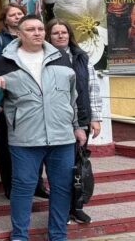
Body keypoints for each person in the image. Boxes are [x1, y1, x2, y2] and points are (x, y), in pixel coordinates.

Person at [0, 15, 85, 241]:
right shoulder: (5, 61)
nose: (37, 33)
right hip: (25, 138)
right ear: (19, 34)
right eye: (31, 29)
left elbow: (72, 97)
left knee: (62, 188)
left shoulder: (61, 57)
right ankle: (19, 235)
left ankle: (58, 235)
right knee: (23, 188)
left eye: (40, 28)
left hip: (62, 137)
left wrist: (78, 126)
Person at [46, 18, 103, 224]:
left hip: (82, 119)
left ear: (69, 34)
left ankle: (76, 208)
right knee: (61, 170)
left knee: (78, 167)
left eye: (64, 32)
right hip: (56, 121)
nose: (60, 36)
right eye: (55, 33)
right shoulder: (45, 57)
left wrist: (95, 118)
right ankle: (60, 211)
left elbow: (92, 88)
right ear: (48, 36)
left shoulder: (81, 57)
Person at [0, 3, 27, 200]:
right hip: (7, 98)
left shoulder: (29, 37)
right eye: (13, 14)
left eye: (20, 13)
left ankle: (36, 184)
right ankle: (9, 184)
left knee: (33, 143)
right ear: (5, 19)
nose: (17, 17)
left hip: (29, 99)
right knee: (6, 144)